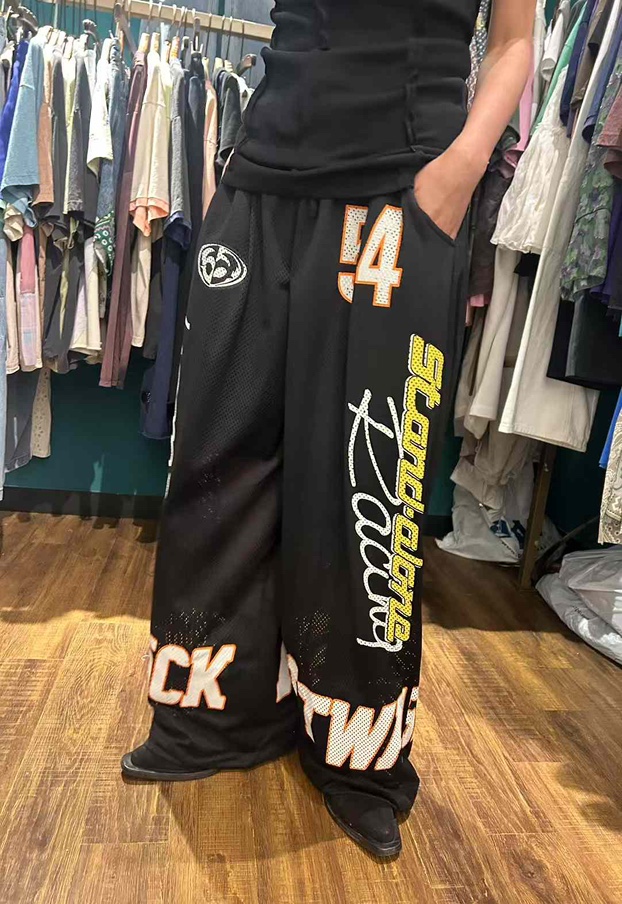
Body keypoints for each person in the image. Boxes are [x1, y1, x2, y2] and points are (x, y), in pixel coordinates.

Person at [123, 0, 536, 858]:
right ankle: (213, 715)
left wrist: (458, 174)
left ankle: (356, 755)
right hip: (263, 177)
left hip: (401, 193)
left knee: (367, 482)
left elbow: (514, 43)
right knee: (220, 458)